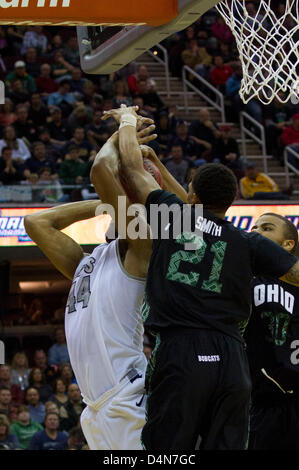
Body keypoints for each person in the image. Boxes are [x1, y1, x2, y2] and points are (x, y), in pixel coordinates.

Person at [101, 104, 299, 450]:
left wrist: (128, 121)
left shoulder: (174, 217)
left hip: (181, 350)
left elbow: (133, 168)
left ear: (191, 196)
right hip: (232, 358)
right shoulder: (247, 240)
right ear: (232, 202)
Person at [24, 120, 186, 450]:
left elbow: (100, 168)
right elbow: (37, 222)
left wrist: (122, 130)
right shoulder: (88, 261)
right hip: (94, 406)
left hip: (126, 394)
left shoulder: (143, 246)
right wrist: (101, 203)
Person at [245, 213, 299, 450]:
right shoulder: (241, 275)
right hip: (258, 402)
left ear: (288, 244)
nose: (256, 231)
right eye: (254, 227)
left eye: (266, 228)